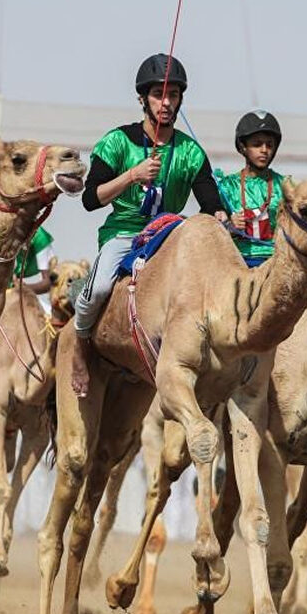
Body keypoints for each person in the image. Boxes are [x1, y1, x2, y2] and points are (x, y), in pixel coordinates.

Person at [72, 53, 226, 395]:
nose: (166, 102)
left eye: (174, 95)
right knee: (97, 289)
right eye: (159, 94)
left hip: (169, 236)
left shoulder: (191, 152)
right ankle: (80, 349)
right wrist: (132, 175)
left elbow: (211, 204)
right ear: (143, 98)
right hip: (124, 234)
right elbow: (89, 199)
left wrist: (223, 217)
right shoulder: (117, 141)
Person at [218, 109, 284, 267]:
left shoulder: (285, 186)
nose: (264, 150)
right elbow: (208, 231)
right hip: (236, 263)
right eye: (257, 144)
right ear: (243, 147)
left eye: (269, 145)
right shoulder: (226, 186)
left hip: (275, 264)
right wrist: (229, 227)